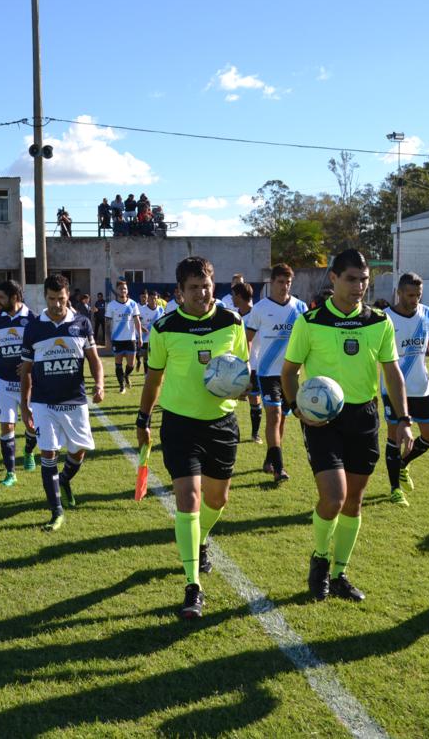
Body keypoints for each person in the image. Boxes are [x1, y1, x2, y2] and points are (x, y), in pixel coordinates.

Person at [281, 249, 412, 602]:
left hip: (364, 417)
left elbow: (392, 373)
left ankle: (339, 574)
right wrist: (297, 410)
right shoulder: (310, 322)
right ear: (334, 278)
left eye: (364, 280)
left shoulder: (379, 322)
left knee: (354, 501)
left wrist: (403, 419)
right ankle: (320, 558)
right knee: (334, 497)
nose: (359, 286)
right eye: (351, 279)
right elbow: (289, 373)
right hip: (322, 421)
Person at [137, 256, 249, 619]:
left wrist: (240, 386)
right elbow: (154, 378)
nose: (202, 293)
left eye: (206, 286)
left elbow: (242, 369)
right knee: (188, 498)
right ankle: (192, 586)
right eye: (194, 288)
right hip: (180, 424)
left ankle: (200, 541)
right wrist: (143, 418)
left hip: (221, 423)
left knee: (218, 499)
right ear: (179, 293)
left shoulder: (232, 321)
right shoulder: (164, 328)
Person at [19, 274, 105, 531]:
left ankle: (64, 479)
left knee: (79, 451)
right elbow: (26, 371)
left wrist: (99, 384)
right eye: (52, 299)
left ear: (69, 297)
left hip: (75, 399)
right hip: (43, 402)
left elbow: (94, 360)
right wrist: (25, 405)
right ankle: (56, 511)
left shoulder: (82, 323)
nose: (57, 304)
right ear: (45, 297)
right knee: (48, 452)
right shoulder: (33, 327)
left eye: (62, 299)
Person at [382, 273, 429, 506]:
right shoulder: (385, 318)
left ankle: (403, 464)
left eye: (418, 295)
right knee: (395, 436)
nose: (414, 300)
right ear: (399, 293)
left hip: (421, 387)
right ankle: (395, 489)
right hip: (394, 388)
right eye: (410, 295)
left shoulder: (427, 313)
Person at [245, 263, 308, 484]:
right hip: (266, 372)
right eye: (280, 282)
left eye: (288, 282)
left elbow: (308, 340)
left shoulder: (300, 308)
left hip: (291, 374)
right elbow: (247, 339)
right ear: (272, 282)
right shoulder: (260, 308)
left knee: (282, 420)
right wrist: (247, 365)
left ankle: (270, 459)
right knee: (274, 415)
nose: (284, 286)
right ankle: (279, 468)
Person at [0, 280, 36, 486]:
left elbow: (40, 349)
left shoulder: (32, 318)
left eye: (1, 297)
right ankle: (10, 472)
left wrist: (30, 365)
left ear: (15, 297)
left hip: (28, 383)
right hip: (3, 381)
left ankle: (28, 451)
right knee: (7, 425)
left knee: (32, 425)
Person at [230, 282, 263, 442]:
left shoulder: (257, 314)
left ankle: (255, 434)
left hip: (254, 365)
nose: (231, 298)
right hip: (234, 366)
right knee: (230, 397)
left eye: (233, 295)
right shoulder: (233, 317)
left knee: (254, 399)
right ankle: (233, 433)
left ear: (239, 296)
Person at [106, 279, 142, 394]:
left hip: (131, 339)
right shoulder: (111, 305)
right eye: (121, 288)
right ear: (117, 290)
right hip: (117, 339)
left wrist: (140, 337)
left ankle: (126, 376)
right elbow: (107, 324)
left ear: (127, 290)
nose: (123, 290)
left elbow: (137, 321)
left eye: (125, 288)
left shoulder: (133, 304)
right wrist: (107, 340)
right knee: (118, 364)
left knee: (131, 364)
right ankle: (122, 386)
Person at [137, 289, 163, 376]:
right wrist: (142, 328)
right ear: (148, 299)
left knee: (156, 357)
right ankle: (146, 374)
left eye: (155, 298)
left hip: (157, 338)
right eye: (151, 298)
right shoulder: (142, 309)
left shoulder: (160, 310)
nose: (153, 300)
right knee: (146, 357)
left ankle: (156, 373)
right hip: (145, 338)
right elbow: (137, 322)